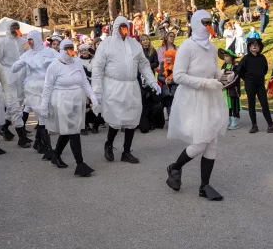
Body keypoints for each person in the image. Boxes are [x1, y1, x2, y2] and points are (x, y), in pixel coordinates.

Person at [165, 10, 228, 200]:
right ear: (195, 23)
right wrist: (205, 83)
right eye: (205, 22)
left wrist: (220, 75)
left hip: (210, 98)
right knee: (201, 143)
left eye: (210, 22)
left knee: (212, 141)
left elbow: (210, 69)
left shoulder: (211, 47)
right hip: (193, 99)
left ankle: (204, 186)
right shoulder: (187, 47)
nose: (208, 26)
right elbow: (178, 76)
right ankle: (174, 168)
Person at [92, 16, 161, 164]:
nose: (123, 31)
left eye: (126, 27)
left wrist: (152, 81)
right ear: (116, 28)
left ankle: (126, 151)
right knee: (116, 119)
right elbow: (97, 68)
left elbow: (143, 64)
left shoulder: (134, 45)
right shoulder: (107, 44)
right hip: (113, 86)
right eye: (121, 27)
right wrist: (96, 90)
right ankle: (109, 144)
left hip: (131, 86)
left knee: (131, 118)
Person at [41, 39, 97, 176]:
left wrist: (93, 97)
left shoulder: (77, 63)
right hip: (62, 100)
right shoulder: (54, 66)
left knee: (69, 130)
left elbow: (84, 82)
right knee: (73, 132)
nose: (69, 50)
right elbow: (47, 87)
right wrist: (44, 105)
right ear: (61, 50)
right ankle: (80, 163)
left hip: (77, 100)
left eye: (71, 47)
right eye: (66, 48)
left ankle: (56, 155)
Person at [11, 30, 57, 156]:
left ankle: (38, 141)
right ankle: (48, 148)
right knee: (42, 115)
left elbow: (60, 63)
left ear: (37, 39)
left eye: (31, 40)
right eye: (28, 40)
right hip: (33, 88)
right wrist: (21, 62)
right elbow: (14, 68)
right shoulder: (27, 55)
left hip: (47, 87)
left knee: (46, 115)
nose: (30, 43)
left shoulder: (50, 52)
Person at [0, 21, 32, 147]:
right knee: (13, 104)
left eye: (17, 27)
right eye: (13, 27)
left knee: (19, 102)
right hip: (8, 75)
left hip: (21, 75)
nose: (15, 29)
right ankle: (22, 137)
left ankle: (4, 127)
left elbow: (29, 54)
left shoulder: (23, 41)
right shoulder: (2, 41)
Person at [236, 38, 273, 134]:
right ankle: (254, 125)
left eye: (257, 45)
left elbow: (265, 70)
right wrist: (246, 79)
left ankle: (270, 126)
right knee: (252, 104)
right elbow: (239, 71)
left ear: (260, 47)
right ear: (249, 47)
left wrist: (259, 77)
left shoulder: (262, 58)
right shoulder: (246, 58)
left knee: (265, 104)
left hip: (260, 84)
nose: (254, 46)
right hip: (250, 84)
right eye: (252, 45)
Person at [218, 47, 241, 130]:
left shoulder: (236, 65)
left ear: (232, 57)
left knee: (234, 105)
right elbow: (221, 77)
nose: (225, 58)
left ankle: (235, 121)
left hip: (233, 90)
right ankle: (229, 120)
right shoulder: (224, 65)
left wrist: (225, 86)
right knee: (227, 105)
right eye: (224, 56)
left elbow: (236, 78)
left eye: (227, 56)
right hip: (225, 90)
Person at [157, 49, 178, 117]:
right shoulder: (163, 64)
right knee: (169, 107)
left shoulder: (177, 65)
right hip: (166, 90)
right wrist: (165, 79)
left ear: (173, 57)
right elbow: (159, 77)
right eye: (166, 57)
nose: (167, 58)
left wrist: (171, 81)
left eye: (169, 57)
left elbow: (180, 77)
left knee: (176, 107)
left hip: (175, 90)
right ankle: (171, 121)